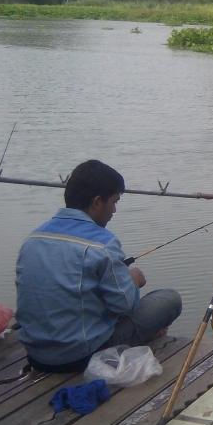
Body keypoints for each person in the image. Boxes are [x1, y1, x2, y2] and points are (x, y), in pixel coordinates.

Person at [16, 159, 182, 373]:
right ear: (97, 202)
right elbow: (125, 305)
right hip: (81, 357)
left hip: (37, 356)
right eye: (114, 202)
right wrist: (134, 279)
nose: (114, 210)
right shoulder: (102, 244)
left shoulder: (33, 238)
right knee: (169, 299)